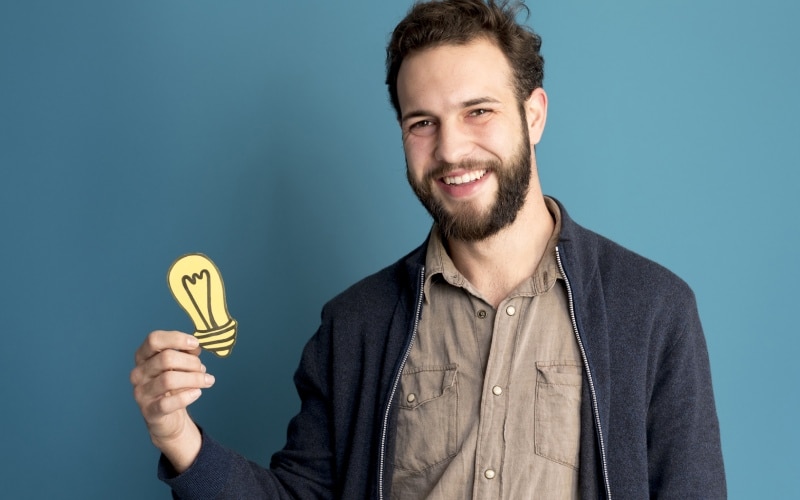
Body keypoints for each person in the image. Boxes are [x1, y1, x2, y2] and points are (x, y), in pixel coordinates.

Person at [130, 0, 726, 498]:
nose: (450, 150)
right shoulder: (354, 327)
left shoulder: (652, 309)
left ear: (534, 115)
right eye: (423, 123)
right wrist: (179, 437)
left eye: (479, 112)